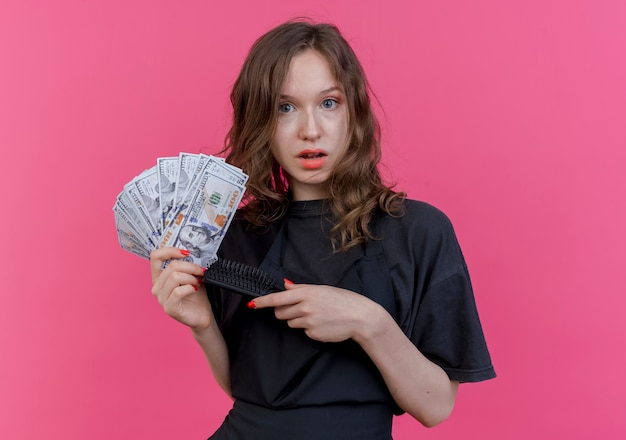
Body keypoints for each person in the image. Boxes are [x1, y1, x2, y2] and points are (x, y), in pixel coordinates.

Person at [150, 20, 495, 440]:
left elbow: (435, 407)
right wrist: (202, 325)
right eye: (285, 108)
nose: (309, 129)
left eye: (328, 103)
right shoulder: (232, 233)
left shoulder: (420, 231)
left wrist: (368, 321)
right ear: (262, 123)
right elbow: (245, 388)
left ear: (354, 110)